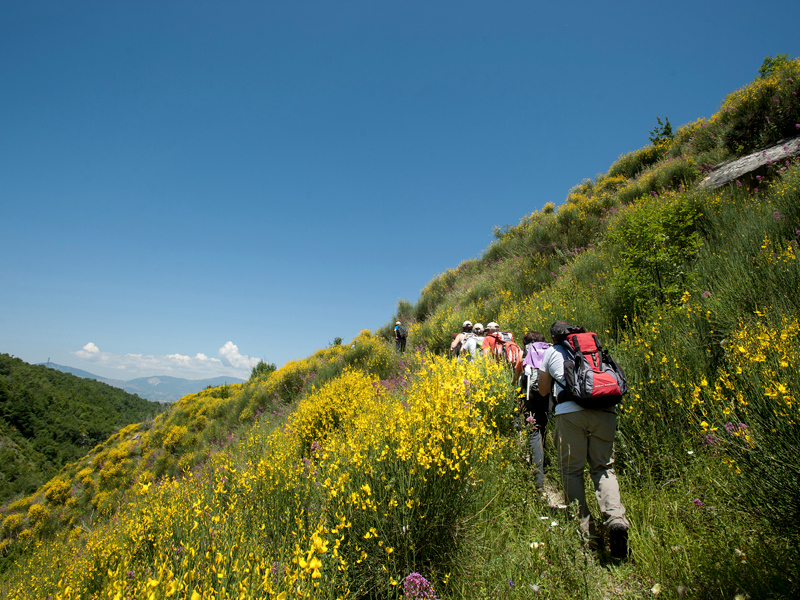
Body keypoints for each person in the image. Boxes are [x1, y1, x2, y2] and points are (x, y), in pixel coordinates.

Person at [536, 320, 629, 559]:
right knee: (603, 467)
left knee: (572, 472)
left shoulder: (550, 352)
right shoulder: (593, 351)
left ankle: (586, 533)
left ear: (554, 337)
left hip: (570, 415)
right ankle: (616, 519)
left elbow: (544, 390)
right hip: (604, 409)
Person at [517, 332, 552, 492]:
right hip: (547, 395)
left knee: (533, 431)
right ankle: (545, 463)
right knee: (542, 426)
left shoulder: (524, 352)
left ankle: (538, 478)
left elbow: (518, 373)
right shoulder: (550, 350)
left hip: (529, 395)